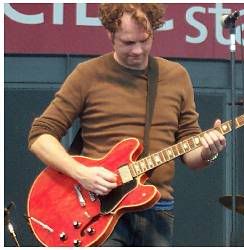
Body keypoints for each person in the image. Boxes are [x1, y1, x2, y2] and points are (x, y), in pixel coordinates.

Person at [28, 3, 226, 247]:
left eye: (145, 40)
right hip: (98, 209)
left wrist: (208, 151)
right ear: (110, 34)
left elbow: (190, 152)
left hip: (158, 208)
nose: (138, 51)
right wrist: (82, 173)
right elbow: (40, 136)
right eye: (128, 43)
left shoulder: (176, 76)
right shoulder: (88, 74)